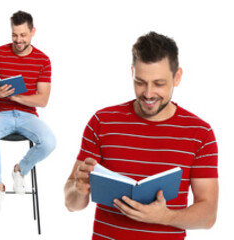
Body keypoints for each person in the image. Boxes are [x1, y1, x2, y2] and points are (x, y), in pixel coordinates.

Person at [63, 32, 218, 240]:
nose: (148, 93)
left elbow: (208, 216)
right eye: (140, 82)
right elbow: (71, 204)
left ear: (177, 77)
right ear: (132, 73)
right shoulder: (102, 122)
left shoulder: (200, 134)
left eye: (159, 83)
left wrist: (165, 217)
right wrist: (79, 189)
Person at [0, 10, 57, 217]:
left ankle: (20, 170)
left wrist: (15, 97)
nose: (18, 40)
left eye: (23, 35)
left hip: (28, 116)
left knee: (49, 141)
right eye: (14, 35)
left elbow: (43, 100)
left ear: (32, 32)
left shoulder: (43, 60)